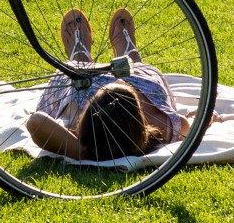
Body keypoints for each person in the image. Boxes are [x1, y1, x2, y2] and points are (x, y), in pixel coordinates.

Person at [25, 8, 190, 162]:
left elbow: (36, 122)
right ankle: (130, 55)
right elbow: (186, 126)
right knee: (136, 71)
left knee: (77, 72)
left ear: (86, 120)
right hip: (139, 81)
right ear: (139, 116)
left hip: (81, 84)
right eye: (130, 92)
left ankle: (80, 56)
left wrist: (82, 152)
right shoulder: (161, 126)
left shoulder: (74, 119)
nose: (117, 80)